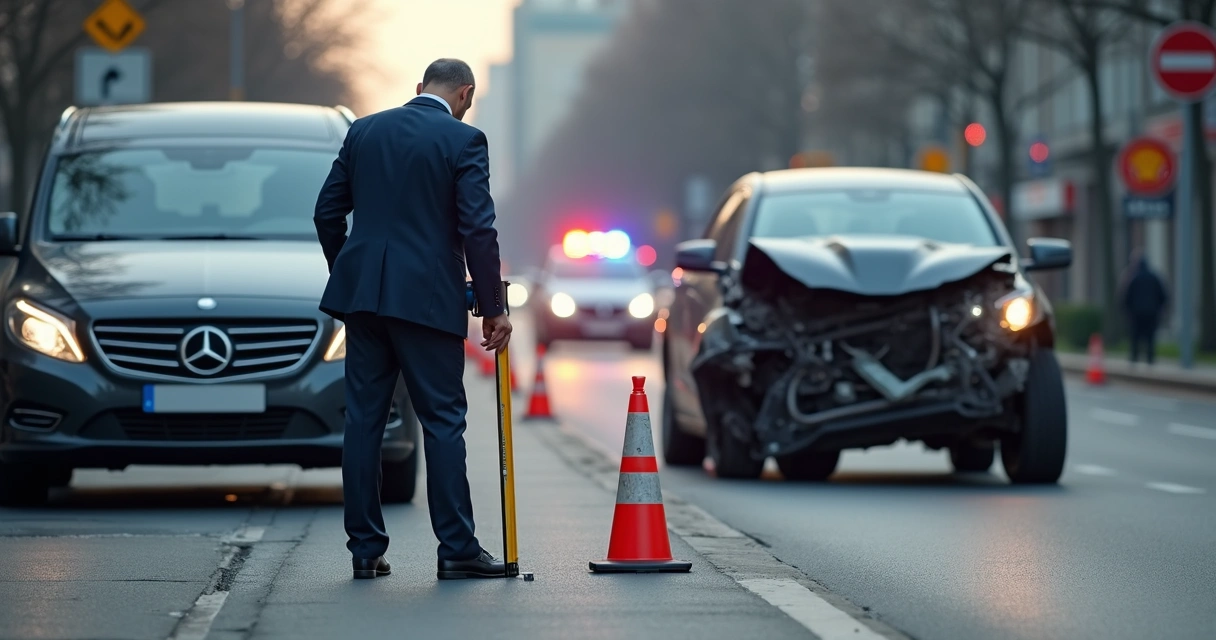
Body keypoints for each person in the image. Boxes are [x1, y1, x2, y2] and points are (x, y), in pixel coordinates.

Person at [314, 59, 513, 581]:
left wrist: (352, 271)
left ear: (419, 88)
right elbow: (478, 229)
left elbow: (326, 213)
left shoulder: (364, 131)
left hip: (365, 302)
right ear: (464, 94)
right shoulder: (463, 141)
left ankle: (364, 549)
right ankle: (457, 549)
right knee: (442, 422)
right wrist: (493, 307)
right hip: (427, 301)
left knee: (363, 421)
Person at [1120, 251, 1168, 366]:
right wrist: (1159, 308)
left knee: (1135, 337)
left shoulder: (1133, 278)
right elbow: (1163, 295)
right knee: (1150, 338)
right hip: (1152, 313)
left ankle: (1133, 359)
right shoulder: (1154, 277)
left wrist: (1127, 310)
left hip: (1136, 314)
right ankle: (1150, 360)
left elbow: (1126, 296)